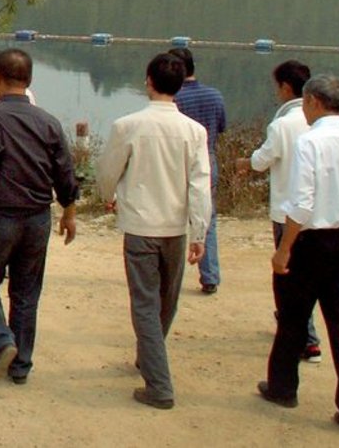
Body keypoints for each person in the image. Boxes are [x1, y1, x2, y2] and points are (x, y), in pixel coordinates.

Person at [0, 49, 77, 385]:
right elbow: (65, 173)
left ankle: (1, 340)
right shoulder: (49, 122)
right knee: (25, 293)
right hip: (37, 218)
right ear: (30, 80)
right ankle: (20, 366)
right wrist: (69, 212)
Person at [258, 74, 339, 436]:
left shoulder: (311, 142)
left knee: (293, 317)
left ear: (312, 102)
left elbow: (302, 203)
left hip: (312, 241)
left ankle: (282, 387)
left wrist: (284, 248)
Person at [96, 52, 212, 410]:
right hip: (176, 228)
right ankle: (151, 355)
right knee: (166, 299)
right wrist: (199, 233)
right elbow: (200, 185)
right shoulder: (194, 131)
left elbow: (107, 171)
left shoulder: (128, 125)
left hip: (140, 225)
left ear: (148, 81)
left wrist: (109, 195)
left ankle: (158, 383)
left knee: (145, 302)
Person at [234, 60, 320, 363]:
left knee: (288, 277)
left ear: (285, 87)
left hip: (286, 211)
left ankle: (305, 338)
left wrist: (243, 163)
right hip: (316, 214)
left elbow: (262, 160)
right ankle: (305, 334)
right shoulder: (319, 119)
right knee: (306, 276)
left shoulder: (284, 123)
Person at [168, 47, 226, 295]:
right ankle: (209, 275)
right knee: (206, 218)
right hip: (208, 159)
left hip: (178, 162)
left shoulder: (174, 100)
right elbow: (221, 128)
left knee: (170, 220)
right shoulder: (214, 95)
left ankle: (168, 273)